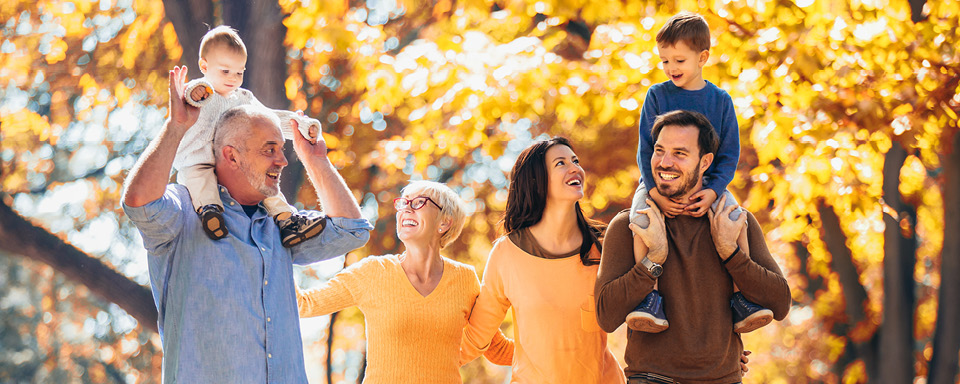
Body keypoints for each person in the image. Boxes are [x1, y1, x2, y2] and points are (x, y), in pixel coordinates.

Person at [122, 66, 372, 383]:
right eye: (269, 150)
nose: (281, 161)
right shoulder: (183, 212)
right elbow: (139, 203)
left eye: (281, 150)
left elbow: (352, 231)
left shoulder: (282, 225)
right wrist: (176, 129)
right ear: (232, 156)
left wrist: (316, 160)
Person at [595, 110, 791, 384]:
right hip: (651, 379)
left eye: (680, 154)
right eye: (660, 150)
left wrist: (731, 254)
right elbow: (606, 315)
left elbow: (780, 303)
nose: (665, 162)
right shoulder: (630, 226)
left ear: (705, 162)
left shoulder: (736, 223)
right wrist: (652, 260)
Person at [627, 11, 772, 334]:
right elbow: (646, 149)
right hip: (658, 182)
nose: (671, 68)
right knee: (639, 221)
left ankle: (742, 298)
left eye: (678, 60)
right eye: (664, 61)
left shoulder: (720, 101)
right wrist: (653, 192)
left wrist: (714, 190)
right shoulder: (657, 95)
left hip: (708, 184)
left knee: (736, 218)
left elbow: (729, 153)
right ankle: (647, 298)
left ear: (702, 57)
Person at [297, 180, 513, 383]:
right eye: (403, 203)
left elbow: (497, 349)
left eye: (419, 203)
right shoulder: (373, 272)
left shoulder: (465, 279)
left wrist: (546, 349)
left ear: (445, 222)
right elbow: (304, 304)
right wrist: (269, 248)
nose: (406, 209)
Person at [459, 137, 626, 383]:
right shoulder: (507, 254)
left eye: (575, 160)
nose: (575, 168)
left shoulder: (604, 246)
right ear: (537, 181)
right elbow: (476, 338)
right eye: (561, 163)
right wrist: (417, 361)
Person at [175, 25, 326, 247]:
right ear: (204, 66)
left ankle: (287, 221)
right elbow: (188, 96)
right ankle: (210, 213)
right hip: (197, 158)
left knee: (263, 183)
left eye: (239, 72)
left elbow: (268, 119)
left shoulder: (243, 98)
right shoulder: (202, 89)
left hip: (233, 162)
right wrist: (195, 93)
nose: (233, 78)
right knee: (199, 180)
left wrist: (301, 126)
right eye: (225, 71)